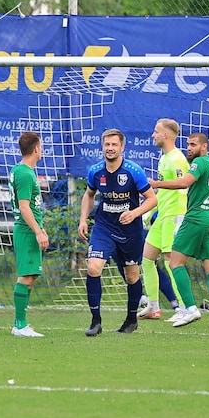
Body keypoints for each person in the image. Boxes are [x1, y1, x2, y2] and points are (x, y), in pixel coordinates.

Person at [78, 128, 157, 336]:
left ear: (122, 147)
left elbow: (152, 199)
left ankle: (131, 320)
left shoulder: (133, 171)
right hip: (104, 227)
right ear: (102, 146)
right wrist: (83, 220)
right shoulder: (96, 171)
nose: (110, 148)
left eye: (114, 145)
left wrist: (134, 213)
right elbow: (89, 195)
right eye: (107, 144)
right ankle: (96, 321)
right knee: (94, 267)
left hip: (130, 231)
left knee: (132, 277)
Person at [150, 132, 209, 328]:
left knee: (175, 263)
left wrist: (157, 184)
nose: (189, 148)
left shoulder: (198, 164)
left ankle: (190, 309)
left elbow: (184, 182)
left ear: (204, 146)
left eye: (193, 144)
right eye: (188, 144)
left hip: (195, 217)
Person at [138, 118, 189, 322]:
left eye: (156, 131)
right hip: (162, 217)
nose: (153, 135)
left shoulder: (177, 159)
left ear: (165, 135)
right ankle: (153, 306)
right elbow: (162, 192)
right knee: (147, 259)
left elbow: (183, 185)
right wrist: (148, 214)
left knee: (171, 262)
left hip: (174, 216)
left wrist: (157, 183)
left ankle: (186, 307)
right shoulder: (164, 158)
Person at [8, 131, 49, 337]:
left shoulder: (22, 170)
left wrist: (41, 229)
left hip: (29, 229)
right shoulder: (24, 173)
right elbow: (24, 207)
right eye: (40, 146)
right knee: (26, 276)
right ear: (36, 149)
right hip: (25, 230)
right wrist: (37, 232)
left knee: (31, 276)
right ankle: (20, 325)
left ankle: (21, 324)